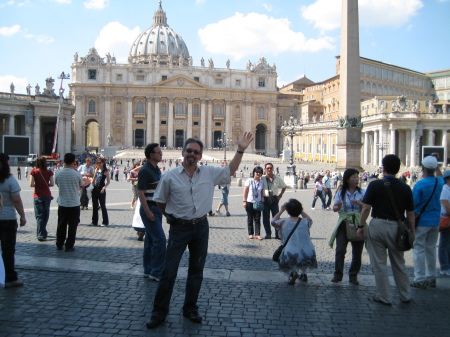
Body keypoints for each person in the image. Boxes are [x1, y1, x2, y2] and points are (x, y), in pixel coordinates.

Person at [146, 132, 253, 329]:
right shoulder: (169, 176)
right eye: (189, 151)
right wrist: (171, 216)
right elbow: (160, 201)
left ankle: (190, 308)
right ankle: (159, 312)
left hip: (201, 227)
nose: (192, 154)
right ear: (183, 152)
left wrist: (240, 150)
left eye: (196, 152)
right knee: (169, 272)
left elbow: (229, 170)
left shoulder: (208, 173)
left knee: (196, 271)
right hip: (179, 228)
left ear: (200, 156)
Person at [358, 154, 415, 305]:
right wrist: (413, 232)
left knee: (379, 263)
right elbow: (410, 214)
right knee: (399, 262)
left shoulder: (375, 185)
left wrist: (361, 226)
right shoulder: (405, 187)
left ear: (383, 168)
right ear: (398, 169)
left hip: (378, 224)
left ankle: (384, 296)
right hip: (397, 227)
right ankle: (405, 294)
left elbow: (366, 208)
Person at [410, 155, 444, 289]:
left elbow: (413, 204)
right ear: (435, 168)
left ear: (422, 168)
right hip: (436, 220)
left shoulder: (420, 184)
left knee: (419, 249)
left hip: (422, 221)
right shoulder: (440, 182)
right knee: (431, 249)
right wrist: (438, 167)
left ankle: (419, 278)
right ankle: (431, 277)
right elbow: (441, 176)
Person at [329, 169, 365, 285]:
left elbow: (368, 207)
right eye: (354, 177)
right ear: (347, 179)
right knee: (340, 250)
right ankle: (338, 274)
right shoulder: (340, 193)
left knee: (357, 252)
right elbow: (334, 209)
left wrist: (360, 204)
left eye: (357, 177)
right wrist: (337, 206)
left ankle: (353, 275)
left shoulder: (362, 192)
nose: (357, 179)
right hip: (344, 223)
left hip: (358, 223)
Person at [271, 199, 316, 285]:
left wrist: (281, 210)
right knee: (302, 256)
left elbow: (273, 221)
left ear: (287, 211)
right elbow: (309, 219)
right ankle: (303, 273)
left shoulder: (283, 221)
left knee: (290, 257)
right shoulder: (306, 221)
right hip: (309, 252)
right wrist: (301, 210)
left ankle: (292, 273)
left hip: (290, 252)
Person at [138, 144, 165, 281]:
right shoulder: (145, 170)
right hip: (150, 208)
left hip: (157, 208)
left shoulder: (156, 169)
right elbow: (140, 192)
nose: (161, 154)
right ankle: (156, 272)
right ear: (151, 155)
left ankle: (148, 269)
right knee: (160, 240)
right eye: (159, 152)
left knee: (150, 239)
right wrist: (147, 211)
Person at [0, 153, 26, 288]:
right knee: (8, 250)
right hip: (7, 218)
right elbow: (16, 200)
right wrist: (22, 215)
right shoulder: (10, 180)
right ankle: (10, 278)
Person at [54, 153, 84, 252]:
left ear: (64, 160)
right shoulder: (77, 174)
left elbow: (58, 184)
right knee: (72, 225)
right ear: (73, 161)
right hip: (74, 202)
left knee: (61, 224)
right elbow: (81, 185)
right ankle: (69, 245)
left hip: (62, 202)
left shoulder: (58, 173)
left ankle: (59, 243)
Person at [30, 156, 55, 241]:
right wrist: (45, 185)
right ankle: (42, 232)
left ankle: (41, 234)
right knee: (45, 214)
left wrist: (38, 185)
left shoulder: (34, 172)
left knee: (39, 215)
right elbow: (52, 184)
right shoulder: (49, 172)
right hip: (47, 195)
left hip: (37, 195)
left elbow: (31, 184)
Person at [262, 162, 287, 239]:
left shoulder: (277, 178)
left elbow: (284, 186)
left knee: (276, 217)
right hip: (265, 199)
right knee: (265, 218)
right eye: (267, 168)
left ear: (273, 169)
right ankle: (268, 233)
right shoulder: (262, 178)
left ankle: (277, 234)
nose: (269, 169)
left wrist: (280, 196)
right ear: (265, 169)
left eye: (270, 168)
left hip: (274, 199)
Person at [243, 166, 265, 240]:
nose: (258, 174)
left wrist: (262, 197)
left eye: (260, 172)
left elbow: (261, 191)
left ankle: (257, 234)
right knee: (250, 218)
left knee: (257, 218)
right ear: (254, 173)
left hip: (258, 201)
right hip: (249, 201)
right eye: (257, 172)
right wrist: (244, 201)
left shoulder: (261, 182)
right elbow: (245, 191)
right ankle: (250, 233)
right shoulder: (249, 180)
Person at [89, 158, 110, 227]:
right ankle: (94, 221)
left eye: (100, 162)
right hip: (95, 189)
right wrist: (90, 185)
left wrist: (104, 188)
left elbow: (108, 182)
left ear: (103, 163)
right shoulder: (96, 169)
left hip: (101, 189)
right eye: (97, 162)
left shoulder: (105, 171)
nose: (98, 164)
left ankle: (105, 222)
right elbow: (93, 179)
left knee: (102, 206)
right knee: (94, 205)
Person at [439, 170, 450, 275]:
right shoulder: (445, 189)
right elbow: (446, 205)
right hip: (447, 219)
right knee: (444, 244)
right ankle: (445, 267)